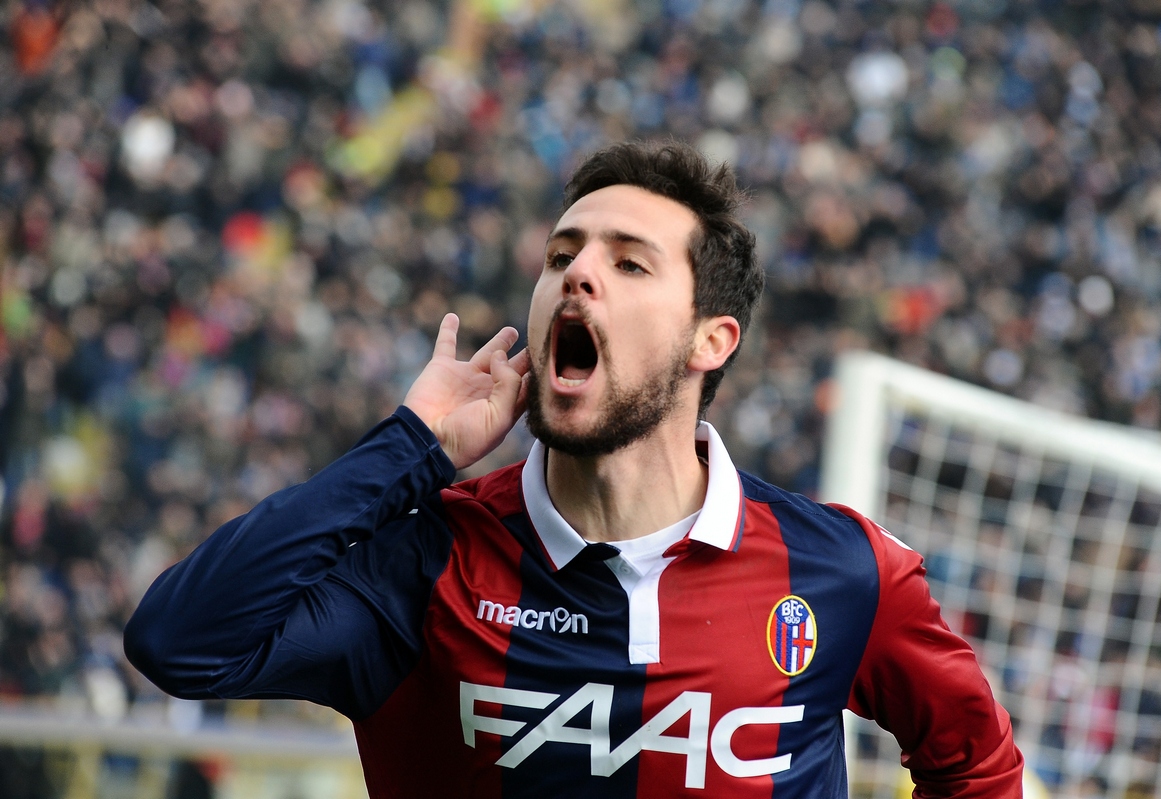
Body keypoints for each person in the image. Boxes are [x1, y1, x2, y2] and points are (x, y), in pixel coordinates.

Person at [124, 141, 1023, 797]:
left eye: (627, 262)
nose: (577, 274)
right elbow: (181, 641)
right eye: (561, 255)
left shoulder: (842, 570)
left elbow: (978, 769)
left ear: (711, 340)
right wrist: (412, 446)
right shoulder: (429, 562)